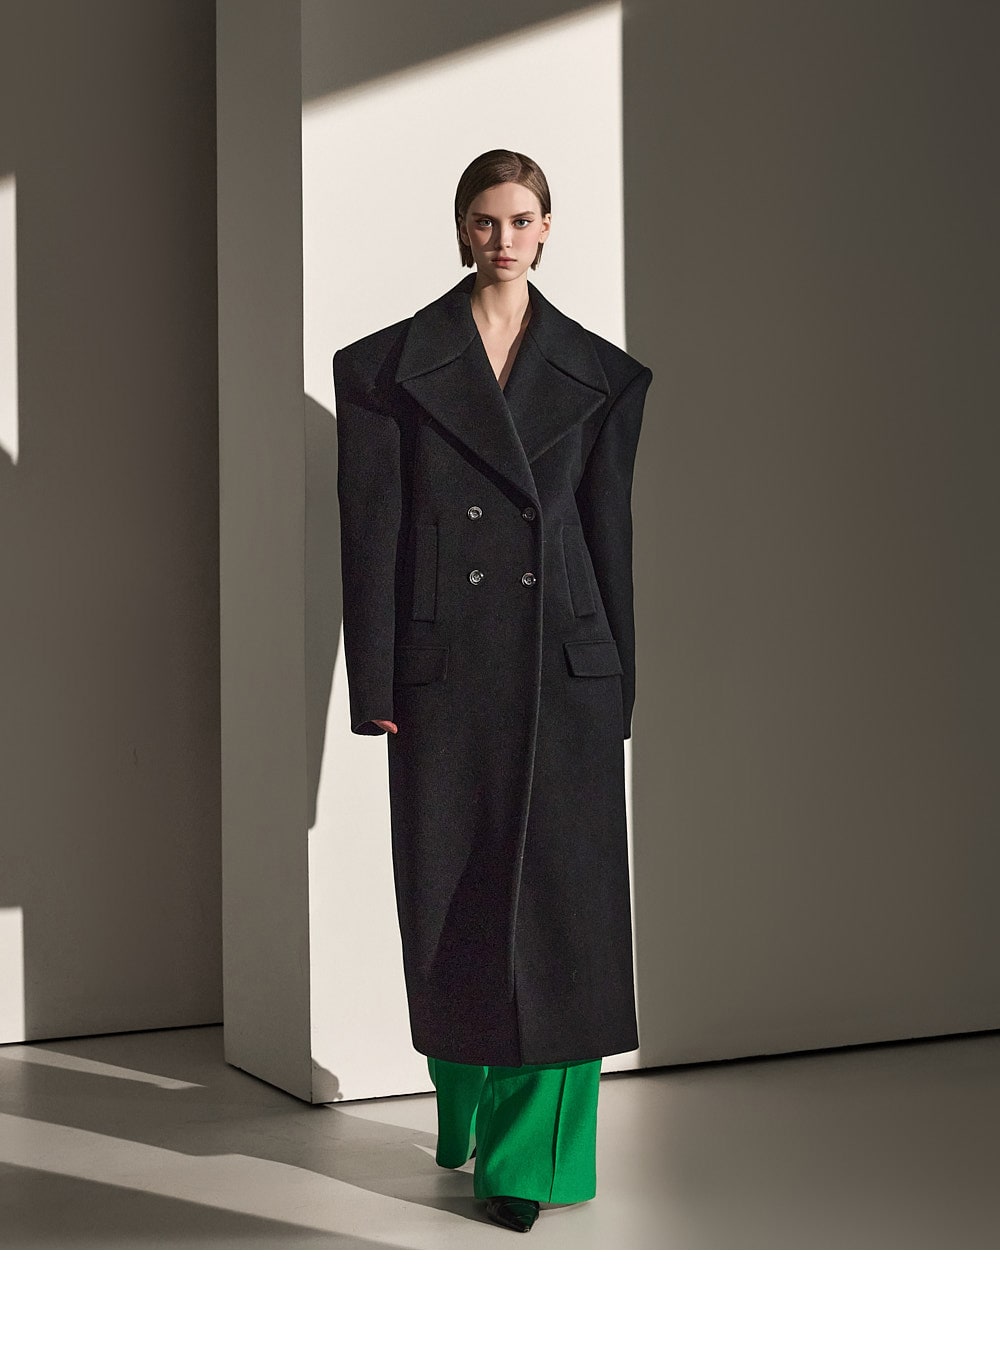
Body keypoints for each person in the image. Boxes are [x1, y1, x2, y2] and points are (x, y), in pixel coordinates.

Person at [333, 149, 653, 1233]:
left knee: (566, 925)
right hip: (445, 673)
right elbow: (369, 532)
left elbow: (608, 537)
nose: (503, 238)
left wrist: (619, 683)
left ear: (548, 229)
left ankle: (532, 1166)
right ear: (461, 228)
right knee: (454, 902)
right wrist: (375, 677)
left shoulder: (602, 376)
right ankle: (464, 1097)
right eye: (485, 219)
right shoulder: (384, 368)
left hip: (564, 669)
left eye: (521, 219)